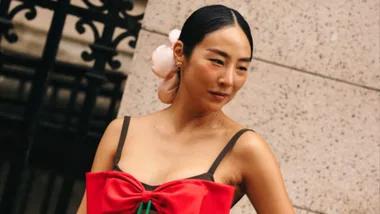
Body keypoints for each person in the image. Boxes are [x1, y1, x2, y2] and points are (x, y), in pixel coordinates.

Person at [77, 4, 295, 214]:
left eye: (241, 68)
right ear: (180, 53)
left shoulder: (245, 148)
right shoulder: (120, 132)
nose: (228, 80)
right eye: (217, 61)